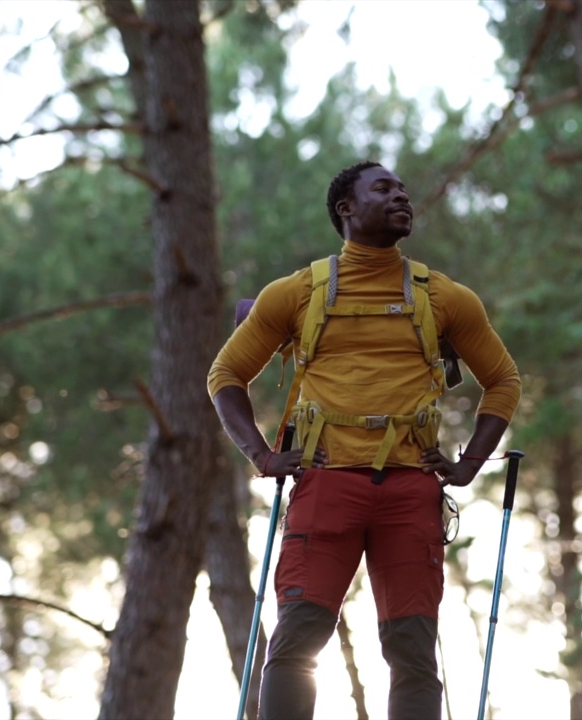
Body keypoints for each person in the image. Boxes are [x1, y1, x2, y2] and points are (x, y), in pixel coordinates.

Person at [207, 161, 520, 719]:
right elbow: (225, 375)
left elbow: (503, 380)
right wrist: (260, 455)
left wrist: (472, 460)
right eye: (384, 188)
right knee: (298, 639)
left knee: (413, 649)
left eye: (402, 189)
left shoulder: (445, 297)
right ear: (345, 209)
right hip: (326, 485)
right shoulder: (298, 292)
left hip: (411, 493)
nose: (401, 195)